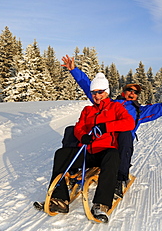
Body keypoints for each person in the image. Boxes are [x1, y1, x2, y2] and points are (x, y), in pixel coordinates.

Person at [61, 55, 162, 198]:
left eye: (136, 92)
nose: (132, 93)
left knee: (126, 134)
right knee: (71, 130)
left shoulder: (139, 111)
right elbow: (90, 86)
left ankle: (120, 177)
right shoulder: (109, 103)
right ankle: (71, 168)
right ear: (123, 92)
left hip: (119, 143)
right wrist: (74, 70)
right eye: (130, 90)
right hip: (103, 138)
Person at [35, 73, 135, 223]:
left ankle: (101, 204)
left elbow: (129, 123)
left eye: (100, 92)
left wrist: (106, 126)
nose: (97, 96)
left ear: (106, 92)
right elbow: (78, 127)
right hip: (87, 151)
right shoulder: (87, 110)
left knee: (113, 154)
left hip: (104, 152)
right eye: (94, 93)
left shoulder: (115, 108)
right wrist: (82, 136)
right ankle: (60, 198)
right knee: (61, 154)